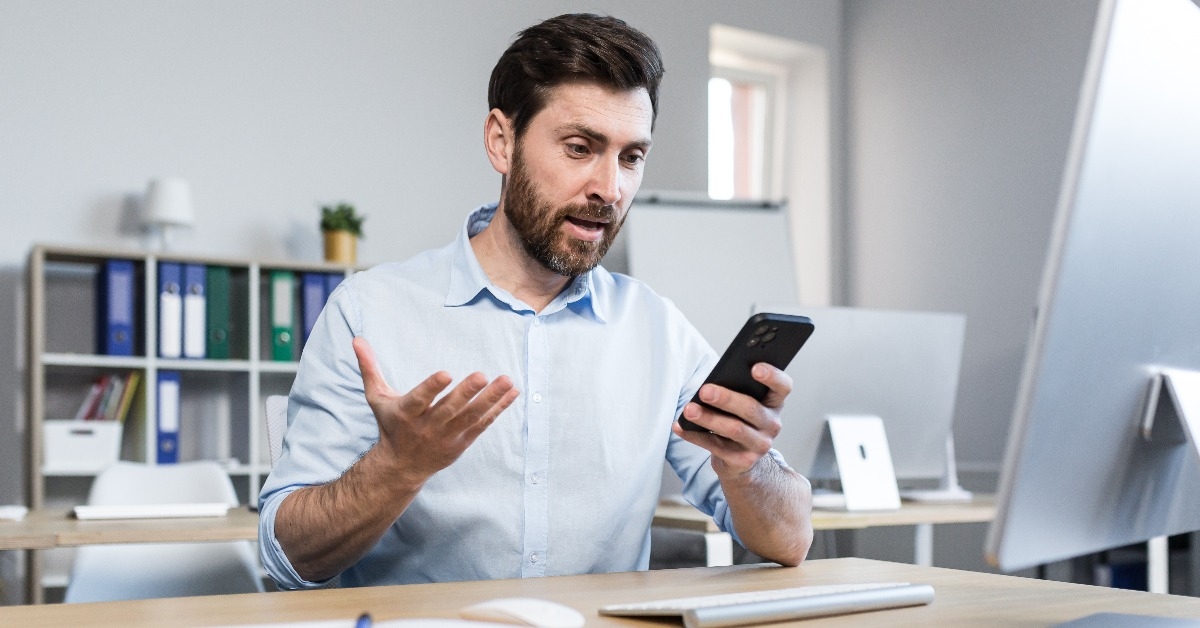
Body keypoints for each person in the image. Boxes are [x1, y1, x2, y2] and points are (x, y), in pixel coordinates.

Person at [259, 12, 813, 590]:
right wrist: (395, 469)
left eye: (631, 158)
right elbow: (288, 559)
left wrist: (747, 468)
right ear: (502, 141)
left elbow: (791, 540)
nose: (610, 188)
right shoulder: (370, 312)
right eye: (580, 148)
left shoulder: (657, 328)